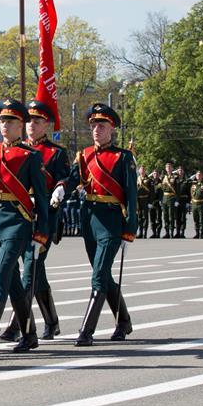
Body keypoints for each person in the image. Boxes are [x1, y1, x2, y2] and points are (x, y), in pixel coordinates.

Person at [0, 99, 50, 355]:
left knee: (1, 276)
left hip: (18, 220)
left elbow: (43, 199)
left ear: (20, 125)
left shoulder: (30, 156)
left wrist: (42, 231)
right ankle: (30, 334)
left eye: (11, 121)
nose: (5, 125)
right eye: (2, 121)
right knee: (13, 281)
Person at [53, 102, 137, 347]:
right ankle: (124, 322)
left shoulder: (123, 157)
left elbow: (131, 194)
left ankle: (86, 331)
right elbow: (73, 179)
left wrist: (130, 229)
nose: (96, 130)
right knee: (103, 274)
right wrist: (61, 188)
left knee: (99, 276)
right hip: (89, 219)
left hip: (112, 220)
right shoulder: (85, 155)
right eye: (93, 125)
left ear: (112, 128)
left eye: (102, 125)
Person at [0, 99, 67, 344]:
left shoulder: (56, 153)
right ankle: (51, 321)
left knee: (30, 270)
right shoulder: (15, 149)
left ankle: (15, 326)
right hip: (17, 217)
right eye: (28, 121)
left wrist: (61, 188)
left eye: (37, 121)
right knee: (36, 273)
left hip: (42, 218)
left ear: (46, 124)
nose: (31, 125)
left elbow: (65, 178)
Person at [159, 163, 179, 239]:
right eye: (167, 167)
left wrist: (177, 200)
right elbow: (161, 190)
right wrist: (161, 199)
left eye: (170, 167)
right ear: (165, 169)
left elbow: (178, 189)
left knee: (171, 216)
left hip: (172, 197)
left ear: (172, 168)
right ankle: (167, 232)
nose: (168, 168)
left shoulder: (175, 177)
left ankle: (171, 232)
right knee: (165, 216)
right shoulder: (163, 177)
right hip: (165, 198)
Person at [190, 171, 203, 239]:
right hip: (194, 204)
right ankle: (197, 233)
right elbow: (191, 194)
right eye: (197, 175)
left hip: (201, 204)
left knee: (202, 219)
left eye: (200, 175)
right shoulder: (193, 184)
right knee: (195, 219)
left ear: (202, 176)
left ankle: (201, 233)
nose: (198, 176)